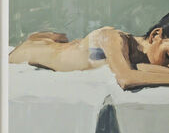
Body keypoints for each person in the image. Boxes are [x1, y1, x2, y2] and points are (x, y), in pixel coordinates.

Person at [9, 12, 169, 90]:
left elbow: (143, 71)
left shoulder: (136, 60)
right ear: (156, 35)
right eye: (168, 56)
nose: (166, 66)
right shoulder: (114, 37)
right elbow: (127, 79)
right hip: (31, 51)